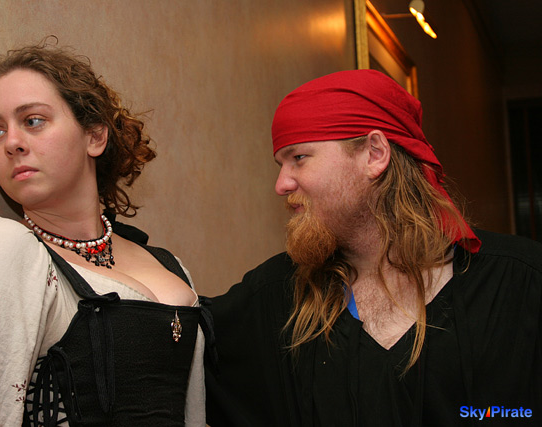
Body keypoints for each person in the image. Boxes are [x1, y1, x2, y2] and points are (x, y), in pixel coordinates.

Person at [206, 69, 542, 426]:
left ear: (375, 154)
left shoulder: (521, 283)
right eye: (281, 164)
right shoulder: (278, 293)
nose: (281, 184)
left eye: (299, 157)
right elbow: (182, 351)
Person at [0, 39, 207, 427]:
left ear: (94, 136)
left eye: (33, 120)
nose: (12, 143)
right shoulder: (5, 249)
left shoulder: (168, 264)